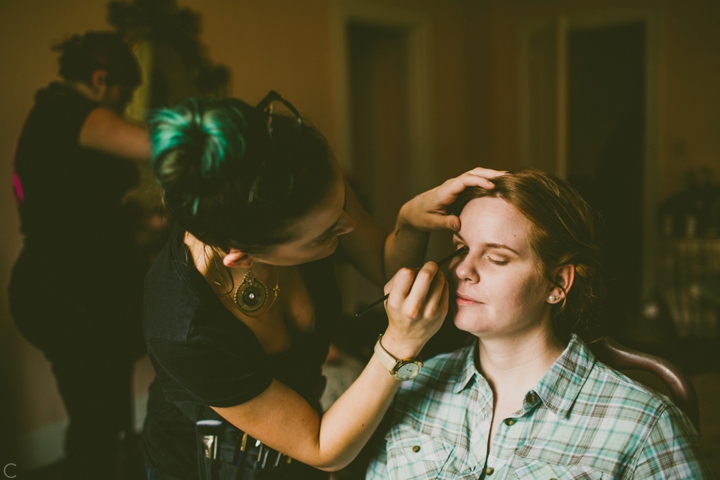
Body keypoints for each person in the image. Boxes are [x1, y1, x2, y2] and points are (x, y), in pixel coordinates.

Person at [141, 92, 502, 480]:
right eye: (326, 235)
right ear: (243, 257)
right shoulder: (183, 329)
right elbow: (321, 447)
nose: (348, 226)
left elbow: (385, 263)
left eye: (342, 202)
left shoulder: (300, 182)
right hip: (210, 462)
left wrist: (409, 222)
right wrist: (398, 346)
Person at [366, 169, 712, 479]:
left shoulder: (643, 426)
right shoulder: (410, 385)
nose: (461, 270)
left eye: (497, 258)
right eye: (460, 249)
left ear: (557, 283)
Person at [8, 31, 151, 479]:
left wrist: (139, 221)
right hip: (65, 292)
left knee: (108, 410)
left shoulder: (58, 118)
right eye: (122, 96)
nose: (123, 108)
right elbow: (153, 144)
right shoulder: (65, 113)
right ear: (99, 78)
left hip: (80, 289)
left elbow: (78, 206)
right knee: (96, 421)